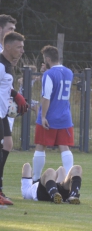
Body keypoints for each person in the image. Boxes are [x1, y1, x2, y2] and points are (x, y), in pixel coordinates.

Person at [32, 45, 74, 183]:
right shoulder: (69, 72)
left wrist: (43, 116)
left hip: (50, 117)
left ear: (48, 59)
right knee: (64, 146)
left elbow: (47, 97)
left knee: (40, 145)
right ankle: (68, 179)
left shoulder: (48, 75)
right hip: (65, 116)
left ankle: (36, 179)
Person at [0, 31, 28, 204]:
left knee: (7, 145)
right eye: (19, 47)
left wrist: (15, 95)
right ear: (7, 47)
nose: (22, 51)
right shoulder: (1, 65)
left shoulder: (8, 64)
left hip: (2, 113)